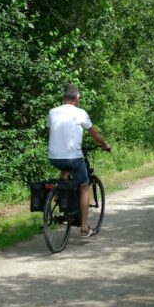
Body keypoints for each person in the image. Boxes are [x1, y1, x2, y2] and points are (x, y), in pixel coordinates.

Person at [47, 85, 111, 238]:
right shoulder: (80, 113)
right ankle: (83, 227)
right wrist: (104, 145)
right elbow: (94, 134)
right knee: (83, 186)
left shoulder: (52, 112)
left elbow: (50, 132)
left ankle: (59, 193)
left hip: (54, 157)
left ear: (64, 99)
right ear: (77, 99)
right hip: (73, 157)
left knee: (65, 168)